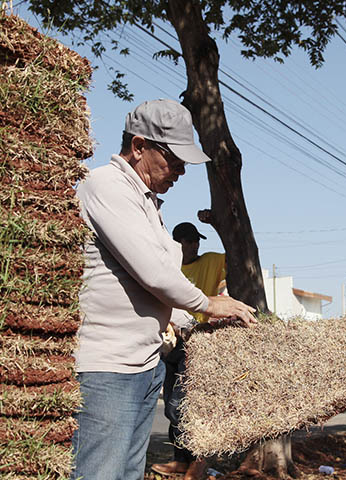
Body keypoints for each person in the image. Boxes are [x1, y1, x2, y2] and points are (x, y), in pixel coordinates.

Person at [71, 99, 257, 480]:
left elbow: (154, 283)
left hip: (143, 363)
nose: (181, 172)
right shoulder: (106, 185)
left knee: (126, 474)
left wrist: (188, 322)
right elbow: (153, 272)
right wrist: (209, 304)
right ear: (139, 147)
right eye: (174, 161)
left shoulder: (147, 202)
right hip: (108, 366)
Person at [151, 222, 226, 479]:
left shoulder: (212, 261)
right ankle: (181, 460)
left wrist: (217, 221)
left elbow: (237, 260)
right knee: (171, 403)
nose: (195, 245)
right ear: (177, 243)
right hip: (170, 340)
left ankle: (198, 462)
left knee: (181, 406)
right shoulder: (168, 265)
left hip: (198, 341)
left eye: (197, 241)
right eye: (189, 241)